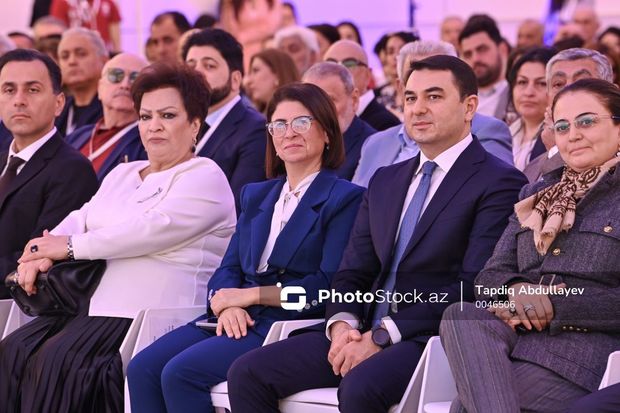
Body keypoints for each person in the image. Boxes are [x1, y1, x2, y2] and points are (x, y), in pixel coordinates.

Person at [227, 55, 527, 413]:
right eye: (411, 98)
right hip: (362, 327)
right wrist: (343, 325)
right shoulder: (387, 179)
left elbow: (472, 285)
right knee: (248, 372)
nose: (418, 108)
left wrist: (385, 334)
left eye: (433, 96)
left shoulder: (498, 181)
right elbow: (353, 270)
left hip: (426, 335)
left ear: (469, 106)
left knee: (360, 388)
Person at [0, 61, 237, 412]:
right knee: (14, 351)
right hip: (89, 311)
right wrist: (39, 254)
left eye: (168, 116)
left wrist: (67, 247)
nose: (154, 126)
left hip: (152, 317)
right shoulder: (124, 173)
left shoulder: (204, 175)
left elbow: (147, 231)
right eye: (145, 116)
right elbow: (81, 218)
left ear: (195, 124)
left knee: (57, 363)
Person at [126, 82, 364, 412]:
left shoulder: (346, 198)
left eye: (302, 122)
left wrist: (250, 296)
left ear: (326, 133)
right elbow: (229, 267)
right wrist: (228, 306)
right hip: (234, 318)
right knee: (141, 368)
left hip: (284, 324)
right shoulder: (256, 195)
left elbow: (324, 288)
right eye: (279, 124)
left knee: (181, 373)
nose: (289, 133)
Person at [440, 77, 620, 413]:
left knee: (463, 408)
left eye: (586, 122)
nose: (573, 135)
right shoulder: (535, 194)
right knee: (460, 315)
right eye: (562, 127)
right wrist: (516, 289)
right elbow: (489, 276)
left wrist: (553, 303)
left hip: (582, 355)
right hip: (511, 343)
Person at [0, 49, 97, 299]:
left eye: (32, 90)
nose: (19, 100)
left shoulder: (73, 170)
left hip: (20, 304)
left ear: (59, 103)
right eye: (9, 90)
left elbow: (38, 254)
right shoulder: (3, 160)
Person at [353, 39, 514, 187]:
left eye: (433, 95)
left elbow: (493, 188)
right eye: (414, 77)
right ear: (401, 89)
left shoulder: (488, 131)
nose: (419, 109)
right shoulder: (374, 144)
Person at [182, 29, 267, 214]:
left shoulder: (255, 130)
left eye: (209, 66)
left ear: (235, 79)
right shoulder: (181, 125)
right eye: (191, 66)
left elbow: (240, 206)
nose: (197, 73)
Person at [523, 47, 613, 183]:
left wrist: (557, 148)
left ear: (610, 92)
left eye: (581, 82)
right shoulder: (531, 169)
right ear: (548, 96)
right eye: (558, 84)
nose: (568, 91)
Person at [65, 53, 148, 181]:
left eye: (135, 79)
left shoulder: (148, 142)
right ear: (100, 88)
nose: (125, 85)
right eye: (115, 76)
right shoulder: (76, 136)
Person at [303, 62, 376, 180]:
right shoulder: (297, 144)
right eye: (310, 102)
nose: (318, 111)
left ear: (354, 100)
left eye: (329, 101)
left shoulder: (372, 148)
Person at [324, 39, 401, 131]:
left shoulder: (386, 124)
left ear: (368, 75)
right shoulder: (321, 118)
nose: (338, 71)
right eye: (330, 64)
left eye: (349, 64)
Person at [507, 47, 556, 171]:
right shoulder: (505, 133)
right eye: (522, 82)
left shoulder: (558, 136)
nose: (528, 92)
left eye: (541, 83)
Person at [55, 28, 107, 136]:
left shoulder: (113, 108)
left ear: (104, 61)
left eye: (81, 54)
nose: (72, 61)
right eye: (65, 56)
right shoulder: (57, 110)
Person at [459, 15, 510, 120]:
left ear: (502, 49)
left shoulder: (518, 97)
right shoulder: (458, 99)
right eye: (468, 54)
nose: (475, 59)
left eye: (482, 49)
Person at [375, 31, 419, 116]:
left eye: (401, 51)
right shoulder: (377, 95)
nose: (395, 57)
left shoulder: (422, 90)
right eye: (390, 52)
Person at [50, 0, 121, 52]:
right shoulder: (62, 2)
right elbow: (58, 28)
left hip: (103, 51)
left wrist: (117, 51)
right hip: (75, 50)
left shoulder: (108, 3)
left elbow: (114, 29)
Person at [244, 48, 299, 115]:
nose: (249, 81)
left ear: (277, 75)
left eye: (256, 71)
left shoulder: (296, 114)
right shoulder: (254, 115)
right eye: (250, 73)